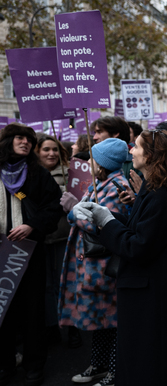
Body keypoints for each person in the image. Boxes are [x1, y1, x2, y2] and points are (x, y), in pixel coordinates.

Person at [72, 129, 167, 386]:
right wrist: (105, 215)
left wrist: (106, 222)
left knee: (151, 361)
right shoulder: (153, 188)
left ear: (152, 155)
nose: (131, 151)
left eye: (137, 147)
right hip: (147, 289)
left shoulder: (161, 194)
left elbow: (140, 246)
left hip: (152, 292)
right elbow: (139, 228)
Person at [58, 138, 130, 386]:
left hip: (103, 266)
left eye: (92, 158)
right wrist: (76, 210)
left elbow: (103, 224)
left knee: (112, 321)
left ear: (103, 163)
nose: (88, 162)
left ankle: (113, 371)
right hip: (90, 265)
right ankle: (98, 365)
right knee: (101, 321)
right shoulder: (101, 183)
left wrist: (72, 210)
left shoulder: (117, 186)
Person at [0, 124, 62, 386]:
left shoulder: (37, 173)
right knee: (3, 310)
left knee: (32, 310)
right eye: (19, 138)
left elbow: (53, 206)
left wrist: (32, 226)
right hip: (0, 251)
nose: (25, 142)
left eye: (29, 139)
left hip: (27, 251)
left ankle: (34, 365)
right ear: (7, 141)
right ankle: (4, 363)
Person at [34, 134, 71, 345]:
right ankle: (51, 327)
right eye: (46, 149)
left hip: (63, 237)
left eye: (55, 149)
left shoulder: (69, 174)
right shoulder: (28, 175)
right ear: (37, 152)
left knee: (64, 283)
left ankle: (71, 327)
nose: (51, 153)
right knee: (46, 286)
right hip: (39, 239)